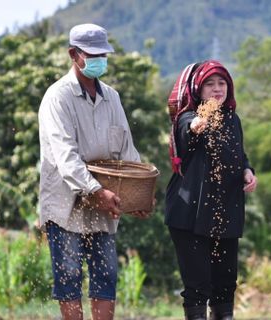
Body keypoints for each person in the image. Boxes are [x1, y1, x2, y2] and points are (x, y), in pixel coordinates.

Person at [38, 23, 150, 320]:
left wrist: (138, 195)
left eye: (103, 53)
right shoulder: (57, 97)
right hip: (66, 202)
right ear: (74, 54)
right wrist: (95, 190)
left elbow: (126, 148)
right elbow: (65, 156)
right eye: (93, 53)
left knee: (106, 275)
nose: (100, 59)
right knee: (69, 277)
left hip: (105, 199)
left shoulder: (111, 96)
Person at [165, 60, 257, 320]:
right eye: (210, 84)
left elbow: (238, 154)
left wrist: (247, 171)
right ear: (197, 89)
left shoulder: (232, 119)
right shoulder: (189, 116)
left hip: (224, 212)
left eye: (222, 83)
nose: (217, 89)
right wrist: (196, 124)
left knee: (225, 285)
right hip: (189, 215)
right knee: (198, 286)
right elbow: (186, 131)